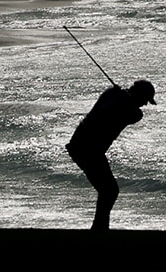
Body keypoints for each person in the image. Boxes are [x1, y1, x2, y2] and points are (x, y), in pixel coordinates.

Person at [65, 79, 156, 230]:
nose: (145, 104)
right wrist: (119, 96)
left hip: (91, 150)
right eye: (145, 99)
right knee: (109, 190)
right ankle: (100, 228)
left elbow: (127, 112)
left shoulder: (135, 113)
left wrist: (121, 98)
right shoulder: (111, 95)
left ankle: (99, 227)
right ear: (138, 94)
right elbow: (104, 109)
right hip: (84, 147)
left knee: (109, 190)